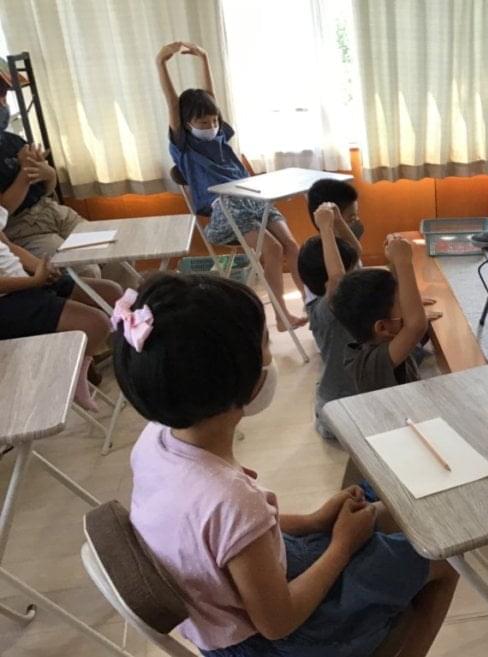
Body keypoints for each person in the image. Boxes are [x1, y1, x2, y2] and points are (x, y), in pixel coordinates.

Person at [116, 273, 458, 657]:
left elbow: (225, 539)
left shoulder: (154, 441)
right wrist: (342, 546)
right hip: (278, 641)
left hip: (237, 602)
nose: (270, 356)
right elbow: (278, 622)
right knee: (444, 563)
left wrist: (314, 521)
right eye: (265, 343)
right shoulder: (229, 499)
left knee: (375, 504)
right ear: (244, 380)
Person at [155, 41, 306, 329]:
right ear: (186, 124)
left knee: (291, 244)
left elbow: (211, 98)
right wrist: (160, 63)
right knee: (272, 249)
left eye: (213, 120)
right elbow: (173, 104)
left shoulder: (220, 135)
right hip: (223, 209)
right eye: (202, 122)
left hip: (252, 199)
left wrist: (204, 57)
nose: (210, 126)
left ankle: (311, 302)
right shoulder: (184, 146)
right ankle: (282, 316)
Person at [0, 79, 131, 285]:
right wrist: (24, 175)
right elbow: (3, 211)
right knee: (86, 272)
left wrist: (48, 174)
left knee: (119, 255)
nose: (3, 105)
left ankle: (133, 305)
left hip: (52, 212)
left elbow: (45, 190)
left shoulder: (11, 140)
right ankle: (106, 305)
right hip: (22, 230)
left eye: (4, 98)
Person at [0, 205, 121, 410]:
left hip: (24, 281)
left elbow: (8, 246)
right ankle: (70, 379)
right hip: (8, 302)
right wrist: (33, 281)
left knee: (111, 292)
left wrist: (40, 267)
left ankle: (87, 369)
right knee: (96, 323)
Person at [331, 236, 427, 394]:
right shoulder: (369, 366)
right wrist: (403, 262)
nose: (407, 308)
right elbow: (416, 326)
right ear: (382, 327)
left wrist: (394, 262)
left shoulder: (375, 335)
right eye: (402, 305)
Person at [297, 202, 360, 438]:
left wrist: (338, 223)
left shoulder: (345, 291)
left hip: (358, 379)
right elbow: (338, 279)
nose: (355, 271)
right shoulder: (322, 310)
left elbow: (355, 254)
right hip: (339, 400)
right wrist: (324, 228)